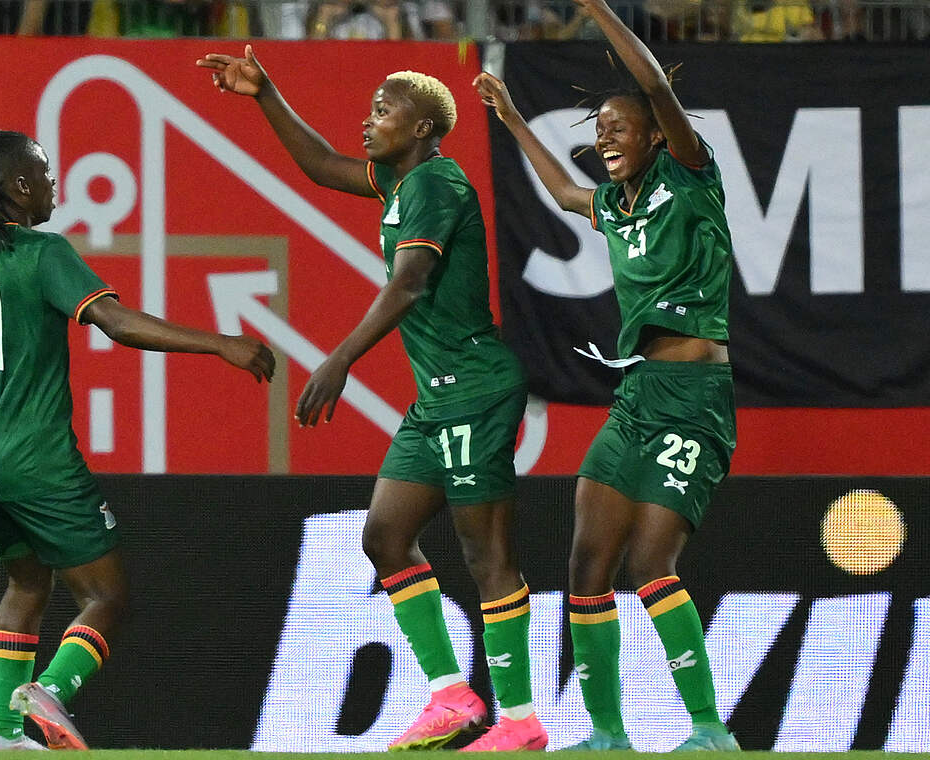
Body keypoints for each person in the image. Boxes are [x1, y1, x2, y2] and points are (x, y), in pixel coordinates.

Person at [0, 130, 275, 751]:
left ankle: (3, 734)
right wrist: (219, 342)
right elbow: (115, 321)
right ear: (19, 187)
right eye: (44, 174)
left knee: (26, 585)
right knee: (107, 595)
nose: (52, 185)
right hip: (37, 458)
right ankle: (50, 693)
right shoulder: (42, 254)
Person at [196, 46, 546, 752]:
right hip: (437, 400)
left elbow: (410, 282)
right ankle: (451, 694)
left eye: (384, 112)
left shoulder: (437, 185)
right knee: (384, 537)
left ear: (422, 128)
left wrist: (339, 359)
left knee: (487, 557)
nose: (369, 121)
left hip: (475, 392)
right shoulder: (400, 184)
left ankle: (521, 721)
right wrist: (265, 94)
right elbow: (322, 164)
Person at [476, 0, 739, 750]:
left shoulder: (690, 179)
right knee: (588, 562)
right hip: (637, 399)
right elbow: (562, 193)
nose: (607, 139)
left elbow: (654, 83)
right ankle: (606, 734)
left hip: (695, 397)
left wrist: (594, 9)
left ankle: (709, 728)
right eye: (600, 132)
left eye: (620, 128)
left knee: (652, 560)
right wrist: (512, 116)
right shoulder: (615, 210)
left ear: (657, 135)